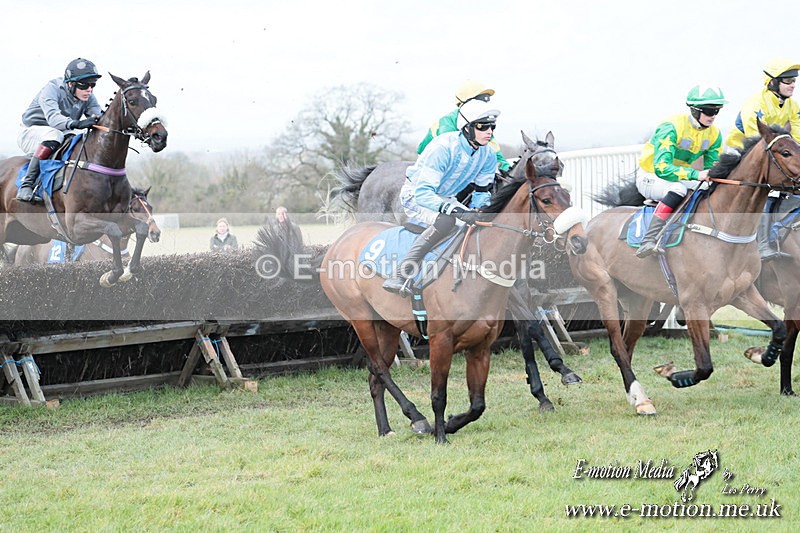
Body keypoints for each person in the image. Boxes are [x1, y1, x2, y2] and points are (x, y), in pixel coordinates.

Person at [382, 99, 500, 295]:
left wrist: (478, 211)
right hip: (417, 196)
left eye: (492, 127)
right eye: (482, 126)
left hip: (445, 197)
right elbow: (423, 193)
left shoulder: (488, 155)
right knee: (447, 220)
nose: (489, 132)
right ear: (467, 128)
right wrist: (457, 210)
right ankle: (400, 273)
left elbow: (481, 192)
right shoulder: (443, 148)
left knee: (479, 224)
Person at [634, 84, 727, 259]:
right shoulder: (671, 127)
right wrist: (695, 174)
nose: (713, 116)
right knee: (678, 189)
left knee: (708, 190)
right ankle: (648, 240)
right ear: (694, 110)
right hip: (651, 176)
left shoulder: (714, 134)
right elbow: (662, 168)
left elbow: (713, 168)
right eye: (708, 110)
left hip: (677, 176)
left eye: (717, 111)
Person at [726, 58, 800, 261]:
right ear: (773, 83)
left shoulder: (793, 106)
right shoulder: (755, 104)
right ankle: (763, 244)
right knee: (768, 190)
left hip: (774, 151)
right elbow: (756, 141)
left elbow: (797, 139)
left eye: (794, 80)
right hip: (744, 152)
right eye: (787, 81)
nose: (793, 84)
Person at [16, 58, 103, 202]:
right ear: (70, 83)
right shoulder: (51, 89)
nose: (89, 89)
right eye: (85, 85)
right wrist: (77, 123)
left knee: (76, 140)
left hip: (58, 133)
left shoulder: (88, 95)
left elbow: (99, 117)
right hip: (30, 132)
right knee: (55, 134)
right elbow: (54, 119)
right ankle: (27, 184)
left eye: (92, 84)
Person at [417, 79, 510, 172]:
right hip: (430, 169)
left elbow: (498, 158)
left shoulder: (481, 128)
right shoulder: (446, 127)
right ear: (465, 103)